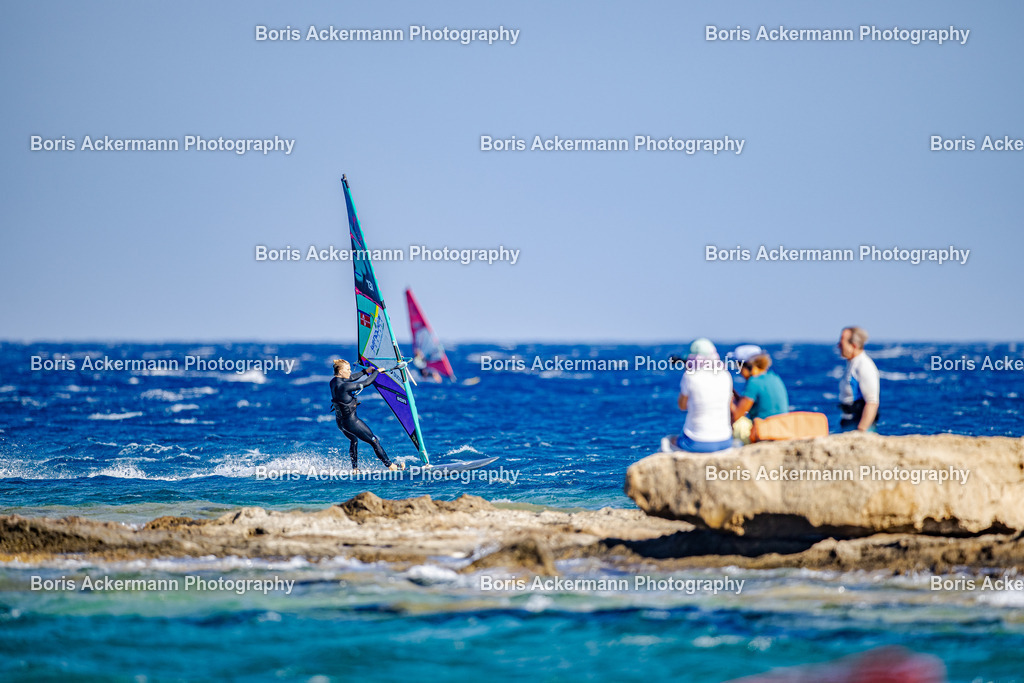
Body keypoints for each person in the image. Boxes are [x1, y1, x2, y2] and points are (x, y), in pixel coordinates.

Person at [330, 359, 405, 471]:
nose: (350, 371)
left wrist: (365, 372)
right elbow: (366, 383)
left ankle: (355, 469)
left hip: (340, 422)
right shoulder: (345, 387)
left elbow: (350, 378)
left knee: (353, 440)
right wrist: (377, 372)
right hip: (351, 422)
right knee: (374, 440)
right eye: (348, 369)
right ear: (340, 371)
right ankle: (391, 466)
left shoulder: (333, 382)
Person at [671, 338, 734, 453]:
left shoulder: (690, 376)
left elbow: (682, 406)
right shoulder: (726, 375)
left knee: (669, 441)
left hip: (697, 442)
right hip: (726, 440)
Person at [731, 351, 789, 444]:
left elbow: (736, 416)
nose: (740, 372)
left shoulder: (754, 382)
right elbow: (744, 405)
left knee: (738, 424)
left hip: (764, 433)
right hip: (781, 430)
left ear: (748, 367)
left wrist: (729, 400)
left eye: (739, 367)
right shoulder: (774, 377)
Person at [837, 326, 880, 432]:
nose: (838, 346)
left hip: (859, 425)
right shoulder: (852, 364)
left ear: (854, 346)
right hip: (848, 423)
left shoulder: (864, 366)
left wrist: (861, 430)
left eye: (842, 343)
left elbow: (872, 402)